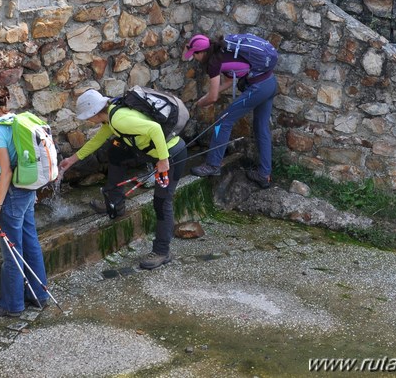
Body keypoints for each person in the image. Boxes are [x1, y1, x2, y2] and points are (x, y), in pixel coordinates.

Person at [59, 89, 187, 270]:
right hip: (153, 153)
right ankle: (115, 203)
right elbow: (96, 141)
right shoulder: (112, 116)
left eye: (87, 117)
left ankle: (162, 251)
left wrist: (163, 160)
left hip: (172, 155)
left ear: (94, 113)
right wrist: (71, 160)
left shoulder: (119, 120)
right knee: (116, 151)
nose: (88, 121)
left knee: (162, 202)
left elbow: (155, 129)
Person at [0, 86, 49, 316]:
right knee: (30, 241)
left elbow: (5, 171)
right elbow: (26, 160)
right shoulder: (17, 121)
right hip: (27, 188)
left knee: (12, 251)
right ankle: (39, 295)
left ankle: (11, 304)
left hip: (11, 193)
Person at [183, 33, 278, 188]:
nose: (193, 58)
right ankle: (264, 174)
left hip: (258, 88)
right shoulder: (224, 48)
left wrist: (201, 103)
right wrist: (209, 95)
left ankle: (213, 165)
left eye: (194, 54)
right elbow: (228, 81)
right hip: (269, 82)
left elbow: (213, 98)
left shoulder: (213, 63)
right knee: (261, 128)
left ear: (201, 53)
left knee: (223, 120)